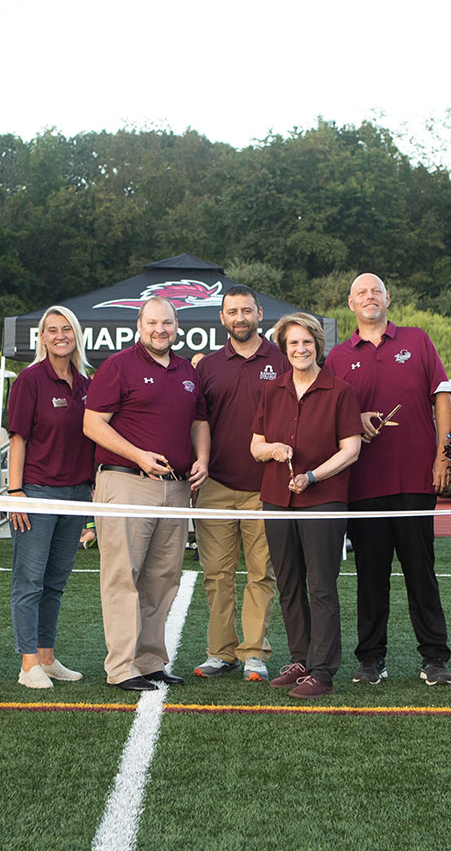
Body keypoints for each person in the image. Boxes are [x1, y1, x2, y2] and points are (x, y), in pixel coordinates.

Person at [326, 273, 451, 686]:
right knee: (371, 575)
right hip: (363, 484)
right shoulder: (338, 357)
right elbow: (327, 416)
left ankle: (434, 658)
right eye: (361, 292)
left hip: (416, 479)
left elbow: (443, 398)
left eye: (376, 291)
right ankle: (370, 660)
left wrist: (442, 455)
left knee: (422, 573)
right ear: (350, 303)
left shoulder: (417, 340)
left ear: (388, 299)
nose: (370, 298)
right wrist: (355, 419)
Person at [83, 297, 209, 692]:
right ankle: (121, 667)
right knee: (123, 576)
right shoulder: (118, 366)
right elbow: (92, 424)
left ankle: (150, 661)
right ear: (139, 325)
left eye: (167, 323)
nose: (160, 329)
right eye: (153, 322)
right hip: (126, 482)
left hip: (175, 487)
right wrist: (138, 455)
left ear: (177, 326)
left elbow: (199, 421)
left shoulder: (187, 369)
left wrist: (202, 458)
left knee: (162, 578)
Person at [251, 313, 363, 700]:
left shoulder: (340, 391)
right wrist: (272, 449)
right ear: (284, 349)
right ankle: (300, 661)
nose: (300, 349)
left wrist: (313, 476)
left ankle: (322, 671)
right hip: (277, 499)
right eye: (293, 344)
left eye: (307, 342)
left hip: (324, 499)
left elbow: (351, 449)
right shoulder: (272, 390)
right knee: (288, 583)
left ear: (318, 345)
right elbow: (255, 445)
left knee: (321, 586)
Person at [193, 286, 286, 682]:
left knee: (262, 574)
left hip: (265, 486)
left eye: (246, 310)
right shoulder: (207, 366)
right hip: (215, 484)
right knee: (217, 573)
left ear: (259, 314)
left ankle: (254, 653)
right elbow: (194, 422)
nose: (240, 317)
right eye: (232, 311)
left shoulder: (283, 361)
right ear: (222, 318)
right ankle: (221, 652)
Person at [5, 306, 95, 689]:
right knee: (30, 581)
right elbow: (17, 439)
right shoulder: (30, 380)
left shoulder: (86, 383)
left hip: (76, 495)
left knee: (56, 582)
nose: (60, 336)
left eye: (66, 329)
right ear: (42, 337)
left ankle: (46, 656)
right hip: (38, 493)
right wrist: (15, 492)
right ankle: (28, 665)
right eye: (52, 330)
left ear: (76, 335)